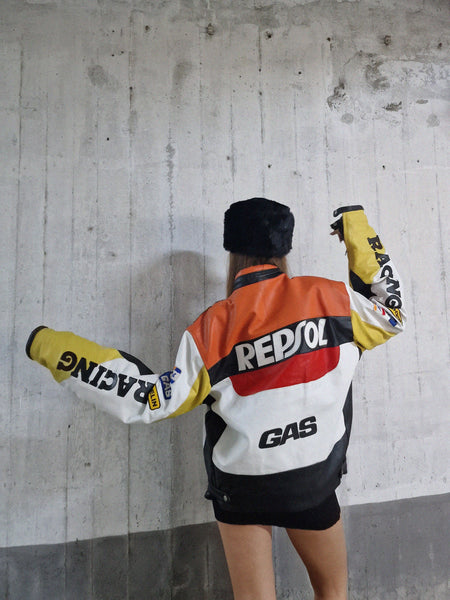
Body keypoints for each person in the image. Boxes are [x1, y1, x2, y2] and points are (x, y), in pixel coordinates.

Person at [27, 199, 405, 600]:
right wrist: (355, 227)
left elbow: (151, 399)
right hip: (312, 479)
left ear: (233, 253)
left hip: (242, 488)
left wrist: (55, 350)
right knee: (332, 593)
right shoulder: (332, 299)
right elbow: (391, 312)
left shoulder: (210, 328)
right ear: (284, 247)